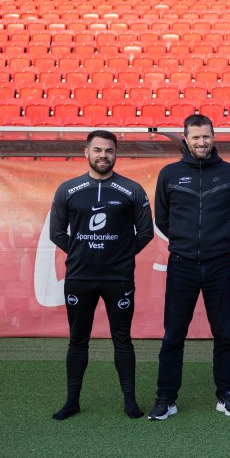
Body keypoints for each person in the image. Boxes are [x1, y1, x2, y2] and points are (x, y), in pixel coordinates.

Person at [148, 114, 230, 420]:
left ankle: (226, 395)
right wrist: (186, 243)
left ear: (213, 137)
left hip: (219, 265)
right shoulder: (170, 174)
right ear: (185, 138)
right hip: (181, 265)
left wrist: (216, 243)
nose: (201, 142)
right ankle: (166, 398)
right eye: (195, 137)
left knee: (224, 334)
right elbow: (162, 219)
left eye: (206, 136)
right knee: (173, 335)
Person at [49, 130, 154, 420]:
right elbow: (56, 232)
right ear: (87, 153)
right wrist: (83, 253)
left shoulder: (132, 190)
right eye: (97, 150)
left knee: (122, 339)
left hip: (118, 278)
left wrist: (119, 254)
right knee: (77, 339)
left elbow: (145, 232)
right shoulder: (68, 190)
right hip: (80, 278)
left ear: (116, 154)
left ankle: (130, 402)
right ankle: (72, 401)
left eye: (109, 151)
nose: (103, 156)